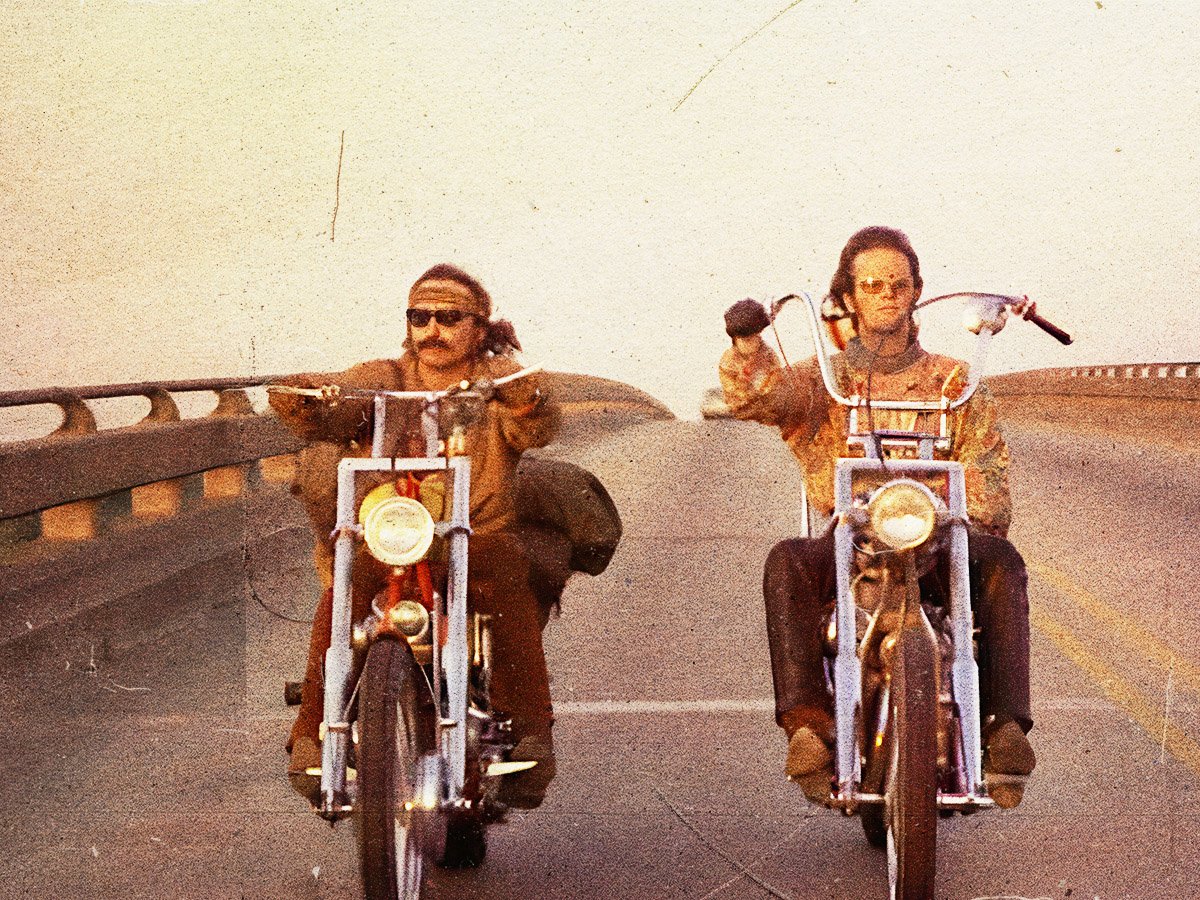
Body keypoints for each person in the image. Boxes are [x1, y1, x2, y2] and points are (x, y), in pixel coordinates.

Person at [718, 226, 1036, 809]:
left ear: (915, 292)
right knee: (787, 561)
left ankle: (1004, 730)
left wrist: (961, 519)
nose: (887, 294)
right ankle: (810, 728)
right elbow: (760, 398)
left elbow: (988, 474)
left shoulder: (956, 382)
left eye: (898, 284)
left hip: (939, 540)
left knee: (1001, 561)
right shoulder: (826, 379)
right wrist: (746, 345)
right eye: (871, 285)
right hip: (854, 542)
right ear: (849, 296)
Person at [271, 263, 565, 810]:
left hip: (476, 533)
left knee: (505, 580)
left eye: (449, 318)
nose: (433, 329)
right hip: (395, 533)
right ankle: (312, 735)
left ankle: (531, 734)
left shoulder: (496, 379)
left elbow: (537, 425)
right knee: (344, 589)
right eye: (420, 316)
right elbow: (335, 410)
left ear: (479, 328)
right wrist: (309, 398)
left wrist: (526, 396)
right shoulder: (383, 375)